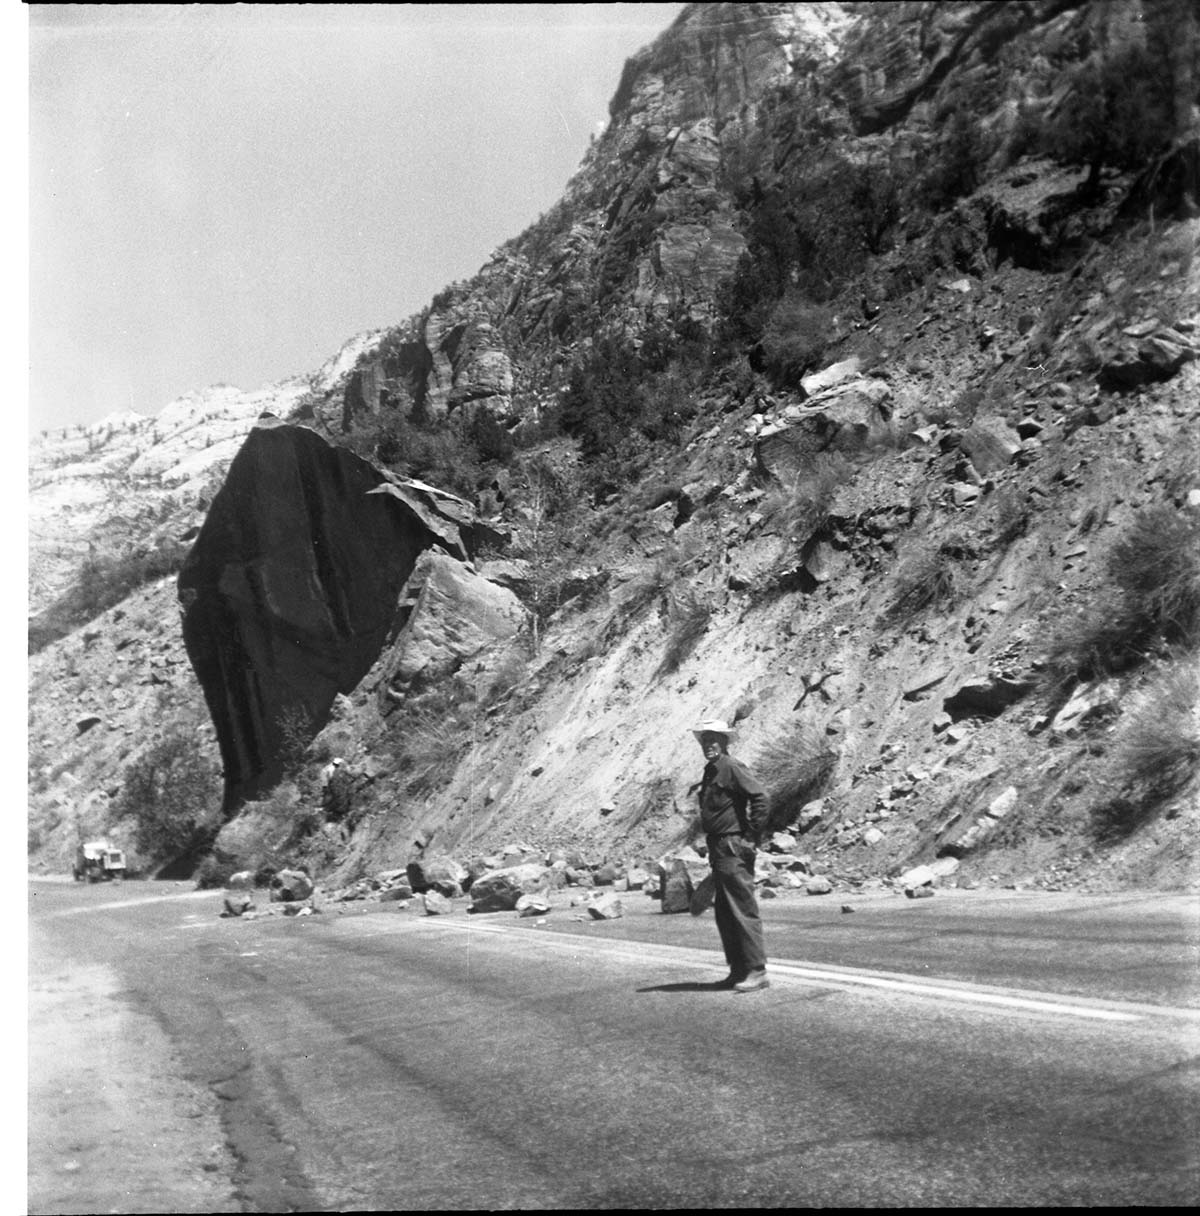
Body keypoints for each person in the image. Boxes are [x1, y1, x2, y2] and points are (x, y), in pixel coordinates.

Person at [693, 719, 770, 992]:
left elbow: (760, 797)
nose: (708, 745)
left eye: (713, 740)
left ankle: (757, 971)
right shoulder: (712, 771)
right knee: (725, 914)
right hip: (719, 849)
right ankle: (738, 970)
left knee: (742, 910)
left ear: (725, 742)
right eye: (704, 740)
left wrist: (751, 838)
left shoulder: (731, 767)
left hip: (733, 847)